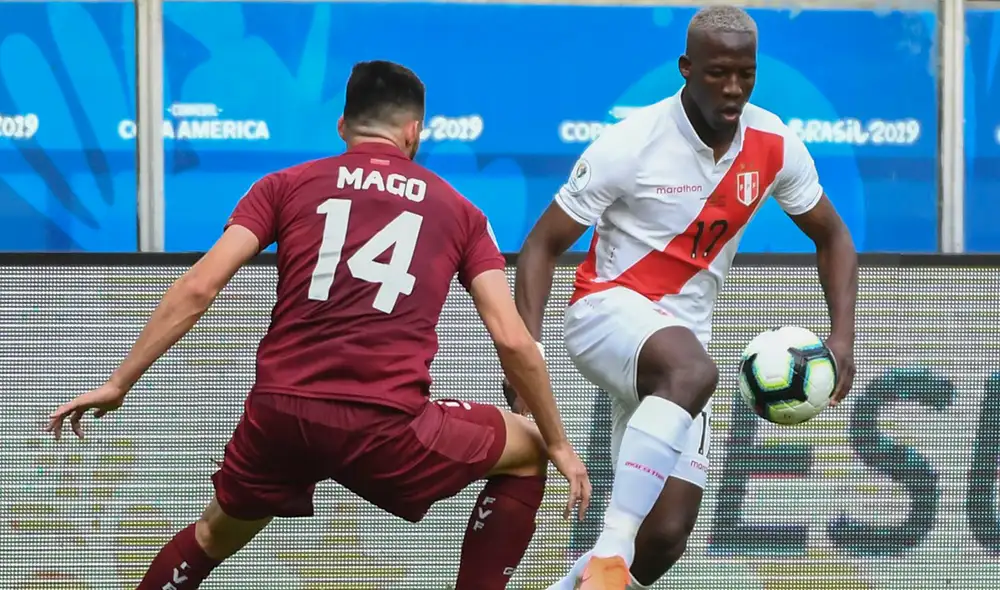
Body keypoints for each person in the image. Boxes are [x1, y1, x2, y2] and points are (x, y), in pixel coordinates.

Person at [45, 60, 591, 590]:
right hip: (386, 426)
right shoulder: (461, 212)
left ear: (342, 126)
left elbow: (197, 288)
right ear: (414, 131)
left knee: (211, 534)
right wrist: (561, 445)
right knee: (529, 445)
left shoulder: (283, 185)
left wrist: (119, 383)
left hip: (281, 417)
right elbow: (513, 340)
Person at [506, 6, 859, 590]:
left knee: (667, 534)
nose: (734, 88)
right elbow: (541, 246)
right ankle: (612, 544)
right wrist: (525, 351)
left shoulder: (774, 143)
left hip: (680, 348)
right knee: (694, 371)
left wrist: (842, 336)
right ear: (686, 68)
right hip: (605, 314)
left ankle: (586, 577)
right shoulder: (631, 142)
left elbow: (834, 236)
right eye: (718, 73)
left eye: (745, 74)